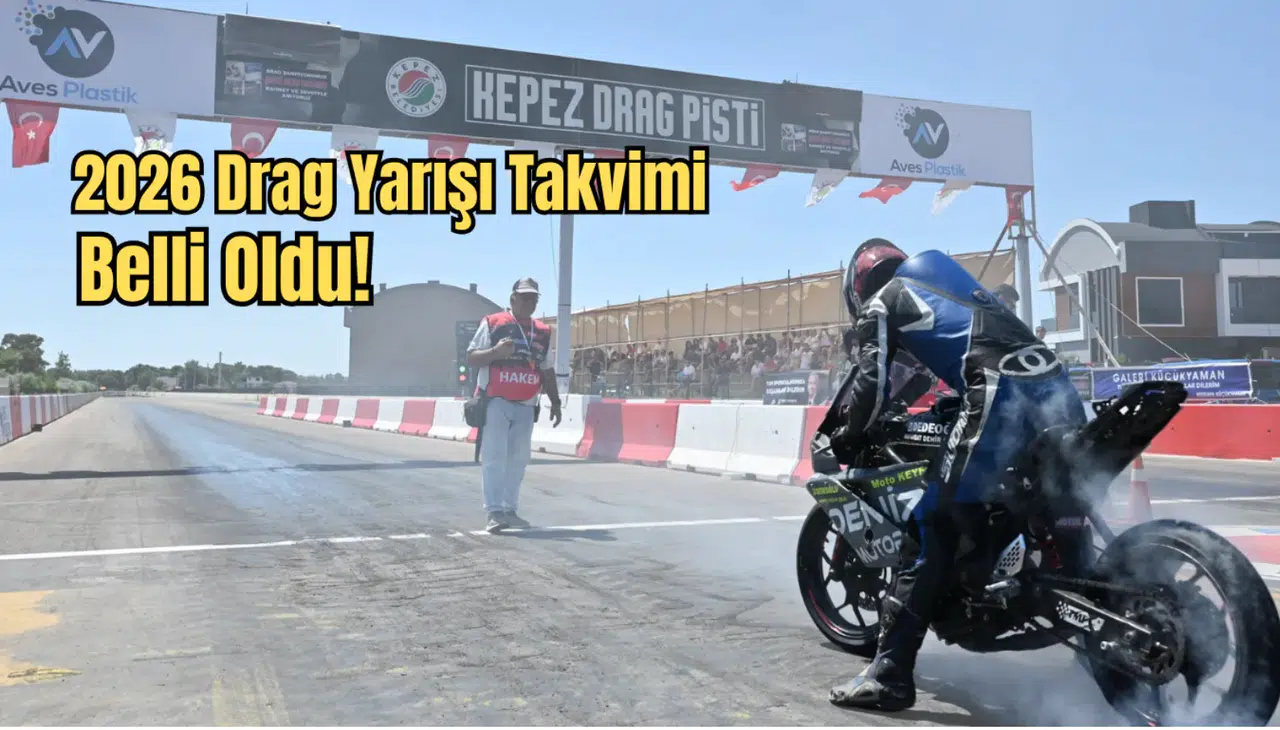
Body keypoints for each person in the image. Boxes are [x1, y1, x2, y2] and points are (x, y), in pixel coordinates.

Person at [821, 238, 1086, 711]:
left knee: (933, 524)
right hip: (1059, 391)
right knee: (1059, 511)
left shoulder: (882, 303)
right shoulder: (943, 286)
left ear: (858, 288)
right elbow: (928, 367)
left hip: (998, 392)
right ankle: (1096, 643)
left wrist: (849, 432)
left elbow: (872, 380)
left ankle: (889, 675)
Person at [466, 277, 563, 533]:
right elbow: (472, 357)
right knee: (494, 456)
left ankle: (510, 510)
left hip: (526, 403)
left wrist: (555, 402)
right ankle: (494, 511)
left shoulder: (542, 331)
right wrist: (495, 353)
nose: (530, 302)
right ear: (513, 299)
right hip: (495, 400)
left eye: (534, 298)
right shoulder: (493, 323)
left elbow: (547, 369)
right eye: (525, 297)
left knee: (518, 459)